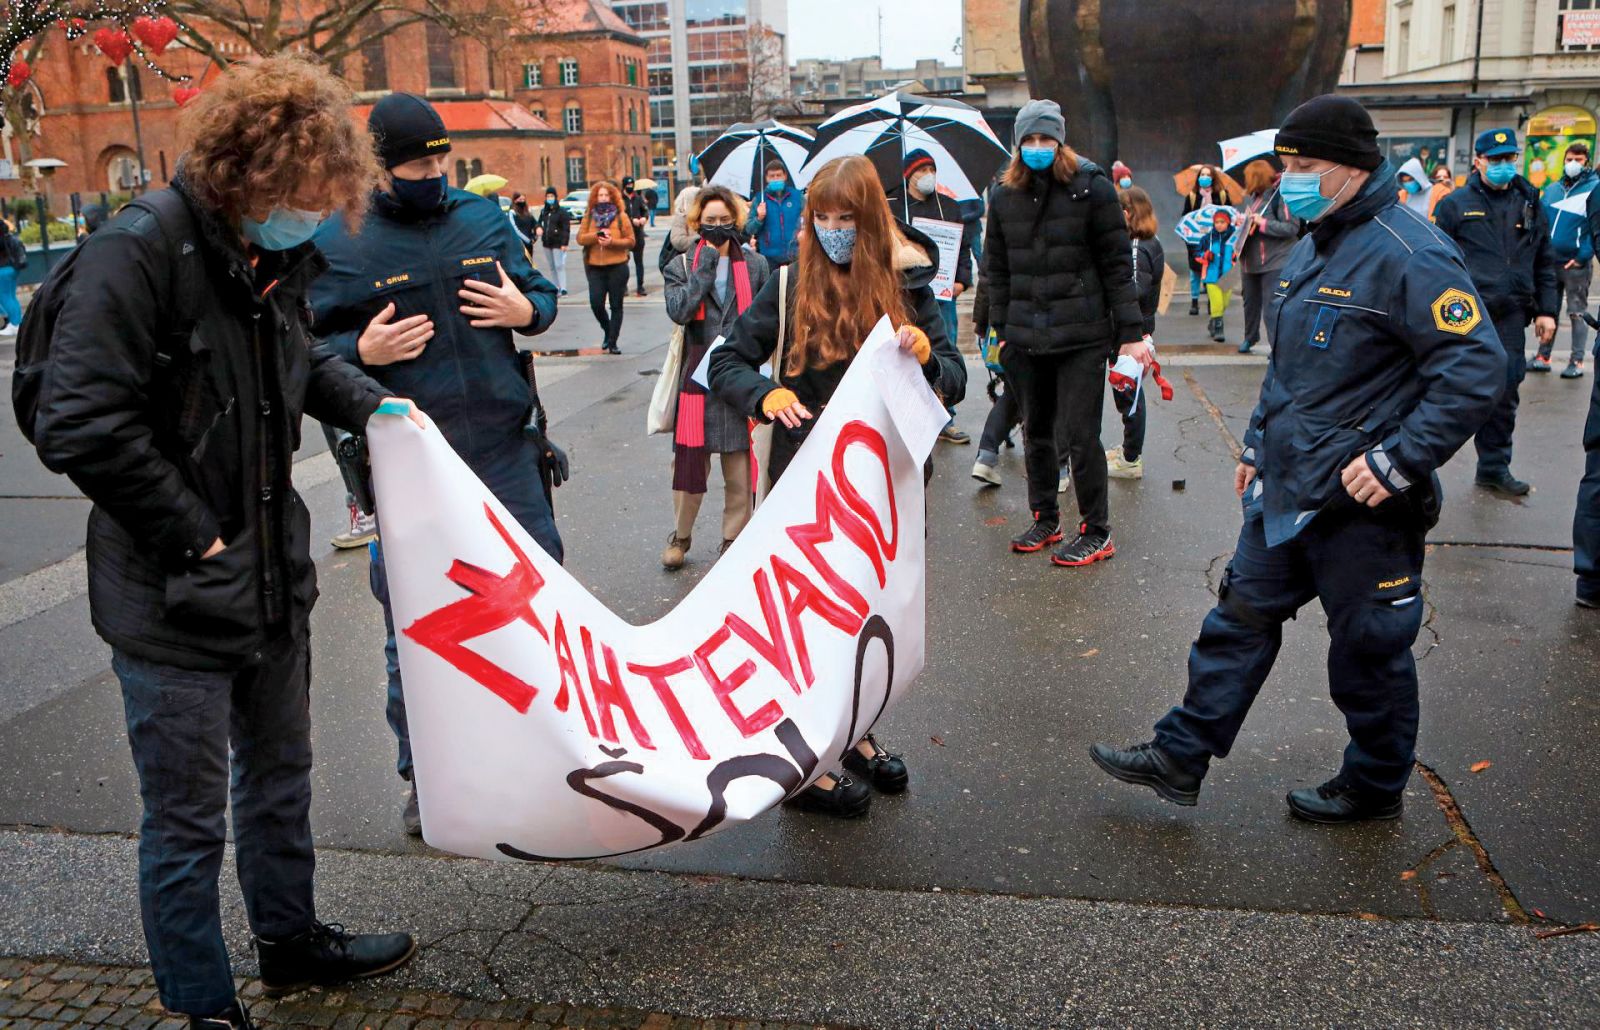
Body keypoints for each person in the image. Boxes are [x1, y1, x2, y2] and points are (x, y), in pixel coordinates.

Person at [27, 56, 423, 1026]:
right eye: (302, 199)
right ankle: (203, 1003)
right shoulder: (140, 251)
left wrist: (379, 411)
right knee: (187, 822)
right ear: (247, 172)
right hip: (174, 586)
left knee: (282, 778)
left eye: (328, 201)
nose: (315, 217)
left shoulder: (269, 254)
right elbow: (78, 420)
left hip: (267, 575)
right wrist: (195, 536)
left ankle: (290, 942)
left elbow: (297, 358)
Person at [1091, 94, 1506, 825]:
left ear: (1351, 168)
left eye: (1306, 166)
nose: (1291, 180)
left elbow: (1474, 369)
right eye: (1286, 165)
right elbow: (1291, 370)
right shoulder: (1315, 240)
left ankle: (1374, 786)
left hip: (1364, 502)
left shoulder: (1411, 251)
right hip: (1289, 485)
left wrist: (1397, 463)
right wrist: (1256, 442)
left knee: (1369, 652)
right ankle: (1180, 754)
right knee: (1239, 618)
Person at [309, 92, 565, 836]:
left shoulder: (483, 219)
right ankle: (425, 774)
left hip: (506, 447)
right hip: (413, 465)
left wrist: (528, 314)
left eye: (441, 159)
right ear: (380, 167)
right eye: (418, 163)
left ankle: (541, 748)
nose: (433, 173)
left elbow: (542, 297)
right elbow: (300, 353)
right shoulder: (339, 239)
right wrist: (360, 353)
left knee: (534, 601)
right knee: (419, 625)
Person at [709, 154, 965, 818]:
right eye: (821, 218)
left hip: (887, 490)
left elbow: (957, 381)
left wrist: (928, 353)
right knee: (814, 626)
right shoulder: (790, 284)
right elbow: (728, 360)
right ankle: (806, 764)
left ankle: (855, 734)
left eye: (845, 219)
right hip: (810, 492)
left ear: (870, 220)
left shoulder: (908, 284)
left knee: (870, 622)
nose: (832, 230)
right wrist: (766, 396)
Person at [986, 98, 1146, 568]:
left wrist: (1132, 331)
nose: (1038, 147)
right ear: (1018, 144)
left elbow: (1118, 265)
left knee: (1081, 435)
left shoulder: (1091, 187)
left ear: (1060, 140)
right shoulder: (1003, 194)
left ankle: (1097, 530)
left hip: (1082, 335)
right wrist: (1000, 329)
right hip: (1024, 336)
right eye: (1029, 140)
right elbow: (996, 266)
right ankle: (1045, 518)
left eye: (1045, 138)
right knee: (1036, 431)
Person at [1435, 127, 1559, 498]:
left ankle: (1493, 467)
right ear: (1478, 161)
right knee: (1450, 390)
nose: (1504, 166)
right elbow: (1437, 264)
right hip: (1464, 315)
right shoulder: (1454, 205)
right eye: (1495, 160)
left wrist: (1546, 311)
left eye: (1509, 159)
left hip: (1509, 315)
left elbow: (1544, 262)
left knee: (1505, 392)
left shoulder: (1530, 201)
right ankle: (1418, 464)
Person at [660, 185, 770, 569]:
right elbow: (680, 311)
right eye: (710, 222)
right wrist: (704, 267)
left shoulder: (756, 265)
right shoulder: (680, 266)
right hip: (697, 378)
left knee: (740, 466)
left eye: (725, 221)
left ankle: (732, 540)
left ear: (737, 221)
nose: (719, 228)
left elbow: (766, 319)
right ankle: (681, 535)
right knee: (689, 466)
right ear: (697, 224)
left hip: (740, 373)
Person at [887, 148, 977, 445]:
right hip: (909, 292)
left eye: (930, 170)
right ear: (908, 175)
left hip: (944, 293)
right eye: (920, 171)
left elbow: (962, 246)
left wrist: (963, 279)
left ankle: (944, 415)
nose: (927, 176)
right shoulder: (894, 206)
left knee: (943, 348)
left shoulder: (949, 207)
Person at [1107, 186, 1165, 480]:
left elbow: (1134, 289)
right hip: (1138, 328)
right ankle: (1129, 451)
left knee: (1128, 395)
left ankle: (1131, 458)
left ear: (1127, 213)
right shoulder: (1148, 242)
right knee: (1128, 392)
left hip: (1131, 333)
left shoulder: (1137, 247)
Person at [1537, 141, 1595, 378]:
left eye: (1578, 160)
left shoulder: (1595, 189)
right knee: (1547, 310)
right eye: (1569, 159)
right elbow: (1541, 222)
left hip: (1575, 264)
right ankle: (1543, 356)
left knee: (1576, 312)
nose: (1572, 164)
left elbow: (1597, 228)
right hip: (1550, 262)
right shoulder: (1552, 189)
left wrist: (1583, 256)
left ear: (1586, 162)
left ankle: (1577, 360)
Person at [1235, 159, 1299, 354]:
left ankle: (1276, 345)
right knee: (1250, 302)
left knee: (1273, 306)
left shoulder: (1280, 196)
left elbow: (1291, 228)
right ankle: (1250, 336)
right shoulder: (1254, 199)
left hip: (1274, 260)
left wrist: (1262, 223)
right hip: (1250, 261)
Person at [577, 181, 635, 354]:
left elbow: (631, 241)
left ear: (612, 197)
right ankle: (608, 330)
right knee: (596, 303)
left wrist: (612, 242)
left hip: (617, 266)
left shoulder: (620, 216)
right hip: (595, 266)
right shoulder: (589, 216)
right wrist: (596, 236)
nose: (603, 198)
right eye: (600, 195)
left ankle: (612, 342)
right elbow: (580, 238)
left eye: (606, 195)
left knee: (616, 305)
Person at [1181, 164, 1232, 316]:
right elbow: (1185, 217)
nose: (1204, 177)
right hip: (1196, 240)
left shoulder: (1221, 195)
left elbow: (1229, 215)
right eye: (1202, 174)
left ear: (1213, 178)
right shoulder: (1192, 196)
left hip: (1216, 240)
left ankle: (1212, 302)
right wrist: (1189, 240)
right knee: (1194, 273)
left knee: (1213, 271)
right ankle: (1194, 301)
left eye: (1208, 175)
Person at [744, 159, 804, 267]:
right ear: (766, 178)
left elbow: (809, 219)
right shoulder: (759, 199)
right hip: (769, 258)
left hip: (796, 255)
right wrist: (759, 218)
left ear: (785, 176)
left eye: (778, 175)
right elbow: (749, 229)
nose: (776, 178)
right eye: (772, 176)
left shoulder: (797, 196)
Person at [1197, 208, 1236, 344]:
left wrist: (1236, 257)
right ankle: (1219, 330)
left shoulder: (1234, 238)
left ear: (1228, 222)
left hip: (1228, 276)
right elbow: (1197, 254)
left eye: (1222, 222)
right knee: (1217, 303)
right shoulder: (1208, 239)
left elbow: (1240, 253)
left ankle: (1212, 322)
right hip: (1211, 276)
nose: (1219, 224)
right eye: (1216, 222)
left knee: (1224, 303)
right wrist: (1205, 255)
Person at [536, 185, 572, 296]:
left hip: (558, 242)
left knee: (559, 265)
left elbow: (566, 229)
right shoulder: (544, 212)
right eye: (548, 196)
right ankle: (556, 287)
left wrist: (564, 243)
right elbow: (539, 222)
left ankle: (563, 287)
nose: (550, 198)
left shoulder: (561, 212)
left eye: (551, 196)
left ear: (555, 197)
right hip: (546, 242)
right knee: (551, 266)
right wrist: (538, 227)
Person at [623, 175, 651, 296]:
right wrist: (631, 220)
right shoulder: (620, 199)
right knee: (624, 262)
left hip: (638, 234)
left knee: (639, 262)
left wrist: (644, 218)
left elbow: (645, 210)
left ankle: (640, 286)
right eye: (628, 185)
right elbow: (620, 215)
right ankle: (623, 286)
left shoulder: (638, 198)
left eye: (631, 185)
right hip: (625, 235)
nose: (630, 187)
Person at [0, 217, 23, 335]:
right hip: (12, 268)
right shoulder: (6, 235)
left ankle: (15, 324)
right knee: (11, 297)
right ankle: (17, 323)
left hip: (3, 269)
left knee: (5, 297)